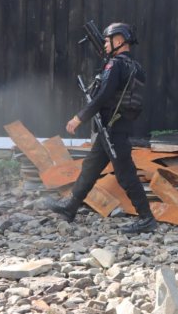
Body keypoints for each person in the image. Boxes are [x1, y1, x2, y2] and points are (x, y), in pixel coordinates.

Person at [47, 22, 157, 234]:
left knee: (126, 175)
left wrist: (79, 118)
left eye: (107, 40)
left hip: (113, 130)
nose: (105, 44)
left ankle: (146, 218)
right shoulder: (137, 68)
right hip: (117, 127)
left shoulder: (115, 65)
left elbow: (103, 96)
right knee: (90, 167)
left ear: (118, 41)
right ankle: (71, 206)